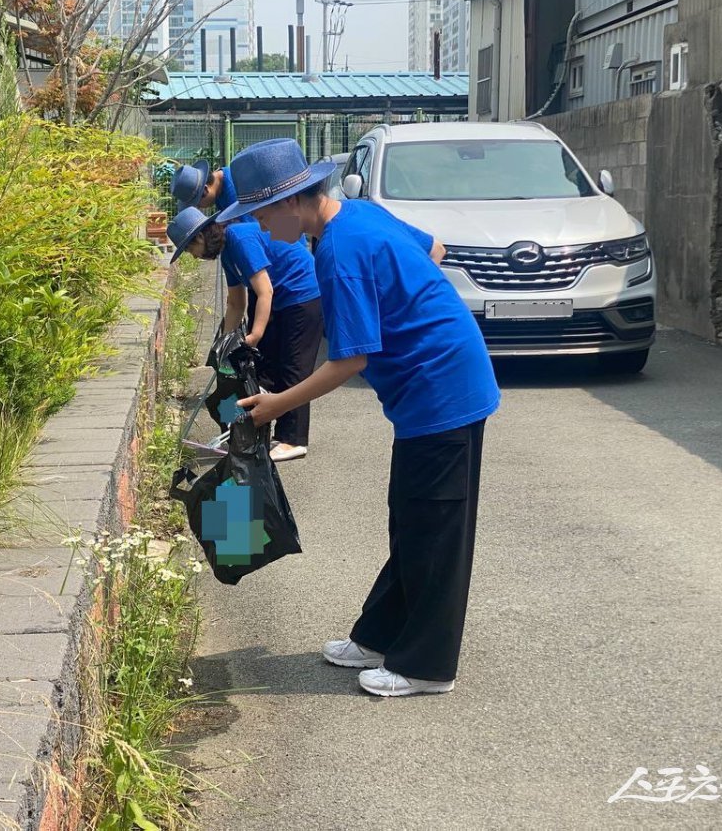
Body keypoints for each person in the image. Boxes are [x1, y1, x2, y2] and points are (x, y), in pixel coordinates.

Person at [219, 139, 500, 698]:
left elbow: (350, 359)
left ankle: (427, 666)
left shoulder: (339, 252)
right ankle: (380, 634)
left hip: (442, 391)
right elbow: (435, 250)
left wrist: (279, 403)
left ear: (293, 203)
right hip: (435, 382)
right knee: (412, 518)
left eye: (259, 213)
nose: (258, 227)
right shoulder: (361, 214)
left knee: (435, 529)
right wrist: (411, 308)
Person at [166, 205, 322, 462]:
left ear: (200, 237)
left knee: (293, 367)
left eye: (190, 249)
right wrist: (224, 345)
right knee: (263, 369)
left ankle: (293, 439)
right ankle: (252, 432)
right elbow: (236, 303)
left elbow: (264, 291)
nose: (193, 257)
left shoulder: (238, 238)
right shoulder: (227, 251)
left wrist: (255, 335)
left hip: (303, 295)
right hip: (280, 300)